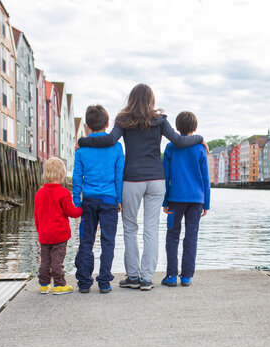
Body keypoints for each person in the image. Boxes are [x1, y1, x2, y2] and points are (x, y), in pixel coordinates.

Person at [77, 84, 207, 291]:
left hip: (132, 180)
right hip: (156, 180)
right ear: (151, 100)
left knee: (130, 228)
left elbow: (110, 139)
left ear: (131, 99)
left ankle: (133, 276)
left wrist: (83, 141)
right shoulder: (160, 120)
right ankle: (147, 279)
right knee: (151, 228)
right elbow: (180, 141)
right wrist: (199, 138)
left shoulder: (124, 120)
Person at [72, 105, 124, 294]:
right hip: (110, 199)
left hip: (89, 200)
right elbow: (119, 175)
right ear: (108, 124)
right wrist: (119, 199)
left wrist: (76, 201)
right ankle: (104, 281)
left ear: (87, 126)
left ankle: (84, 282)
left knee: (86, 240)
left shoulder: (81, 150)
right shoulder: (116, 147)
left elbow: (77, 178)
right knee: (107, 241)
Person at [161, 111, 210, 287]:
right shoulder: (200, 149)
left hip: (175, 199)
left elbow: (166, 177)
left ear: (177, 128)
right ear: (195, 128)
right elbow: (205, 178)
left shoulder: (170, 148)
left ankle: (172, 275)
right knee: (191, 236)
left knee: (172, 236)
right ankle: (187, 276)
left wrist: (165, 201)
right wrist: (207, 203)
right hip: (197, 200)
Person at [34, 157, 82, 295]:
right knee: (57, 261)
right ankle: (59, 285)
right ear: (61, 176)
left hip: (44, 235)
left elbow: (36, 215)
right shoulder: (64, 193)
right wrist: (82, 209)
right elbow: (71, 212)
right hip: (59, 235)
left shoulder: (39, 193)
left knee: (44, 261)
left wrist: (40, 232)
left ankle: (43, 285)